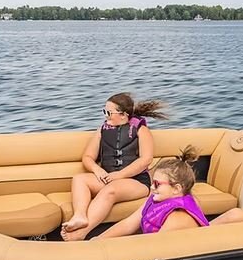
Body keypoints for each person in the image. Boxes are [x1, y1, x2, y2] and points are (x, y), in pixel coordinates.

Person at [61, 93, 168, 241]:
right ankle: (80, 216)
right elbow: (87, 157)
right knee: (80, 179)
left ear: (123, 115)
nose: (106, 116)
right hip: (109, 178)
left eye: (109, 113)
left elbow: (146, 159)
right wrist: (97, 170)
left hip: (136, 181)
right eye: (104, 112)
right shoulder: (102, 130)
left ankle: (82, 233)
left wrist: (119, 175)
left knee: (110, 190)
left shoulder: (141, 130)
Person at [93, 145, 208, 239]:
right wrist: (99, 239)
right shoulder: (155, 198)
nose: (152, 187)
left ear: (176, 189)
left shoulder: (179, 217)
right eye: (152, 182)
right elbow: (129, 223)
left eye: (157, 184)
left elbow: (155, 247)